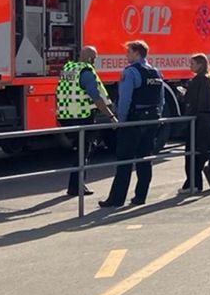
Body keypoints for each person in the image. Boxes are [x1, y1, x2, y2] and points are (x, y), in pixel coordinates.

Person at [101, 40, 164, 208]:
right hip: (151, 120)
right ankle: (140, 196)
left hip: (133, 120)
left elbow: (125, 99)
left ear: (137, 53)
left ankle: (116, 199)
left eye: (128, 52)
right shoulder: (155, 72)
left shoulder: (130, 72)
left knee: (124, 161)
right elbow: (161, 99)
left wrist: (121, 121)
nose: (126, 55)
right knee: (145, 159)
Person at [55, 45, 114, 196]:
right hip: (82, 117)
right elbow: (95, 96)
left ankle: (75, 186)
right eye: (94, 58)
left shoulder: (68, 68)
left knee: (79, 151)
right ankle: (76, 187)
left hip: (66, 116)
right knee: (83, 152)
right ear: (89, 58)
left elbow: (62, 91)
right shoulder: (86, 72)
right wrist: (111, 116)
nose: (95, 61)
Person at [180, 53, 210, 193]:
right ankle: (193, 183)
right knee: (202, 153)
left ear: (200, 65)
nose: (190, 66)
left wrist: (182, 95)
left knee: (192, 154)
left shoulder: (197, 80)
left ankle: (193, 184)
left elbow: (190, 100)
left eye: (192, 64)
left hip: (199, 122)